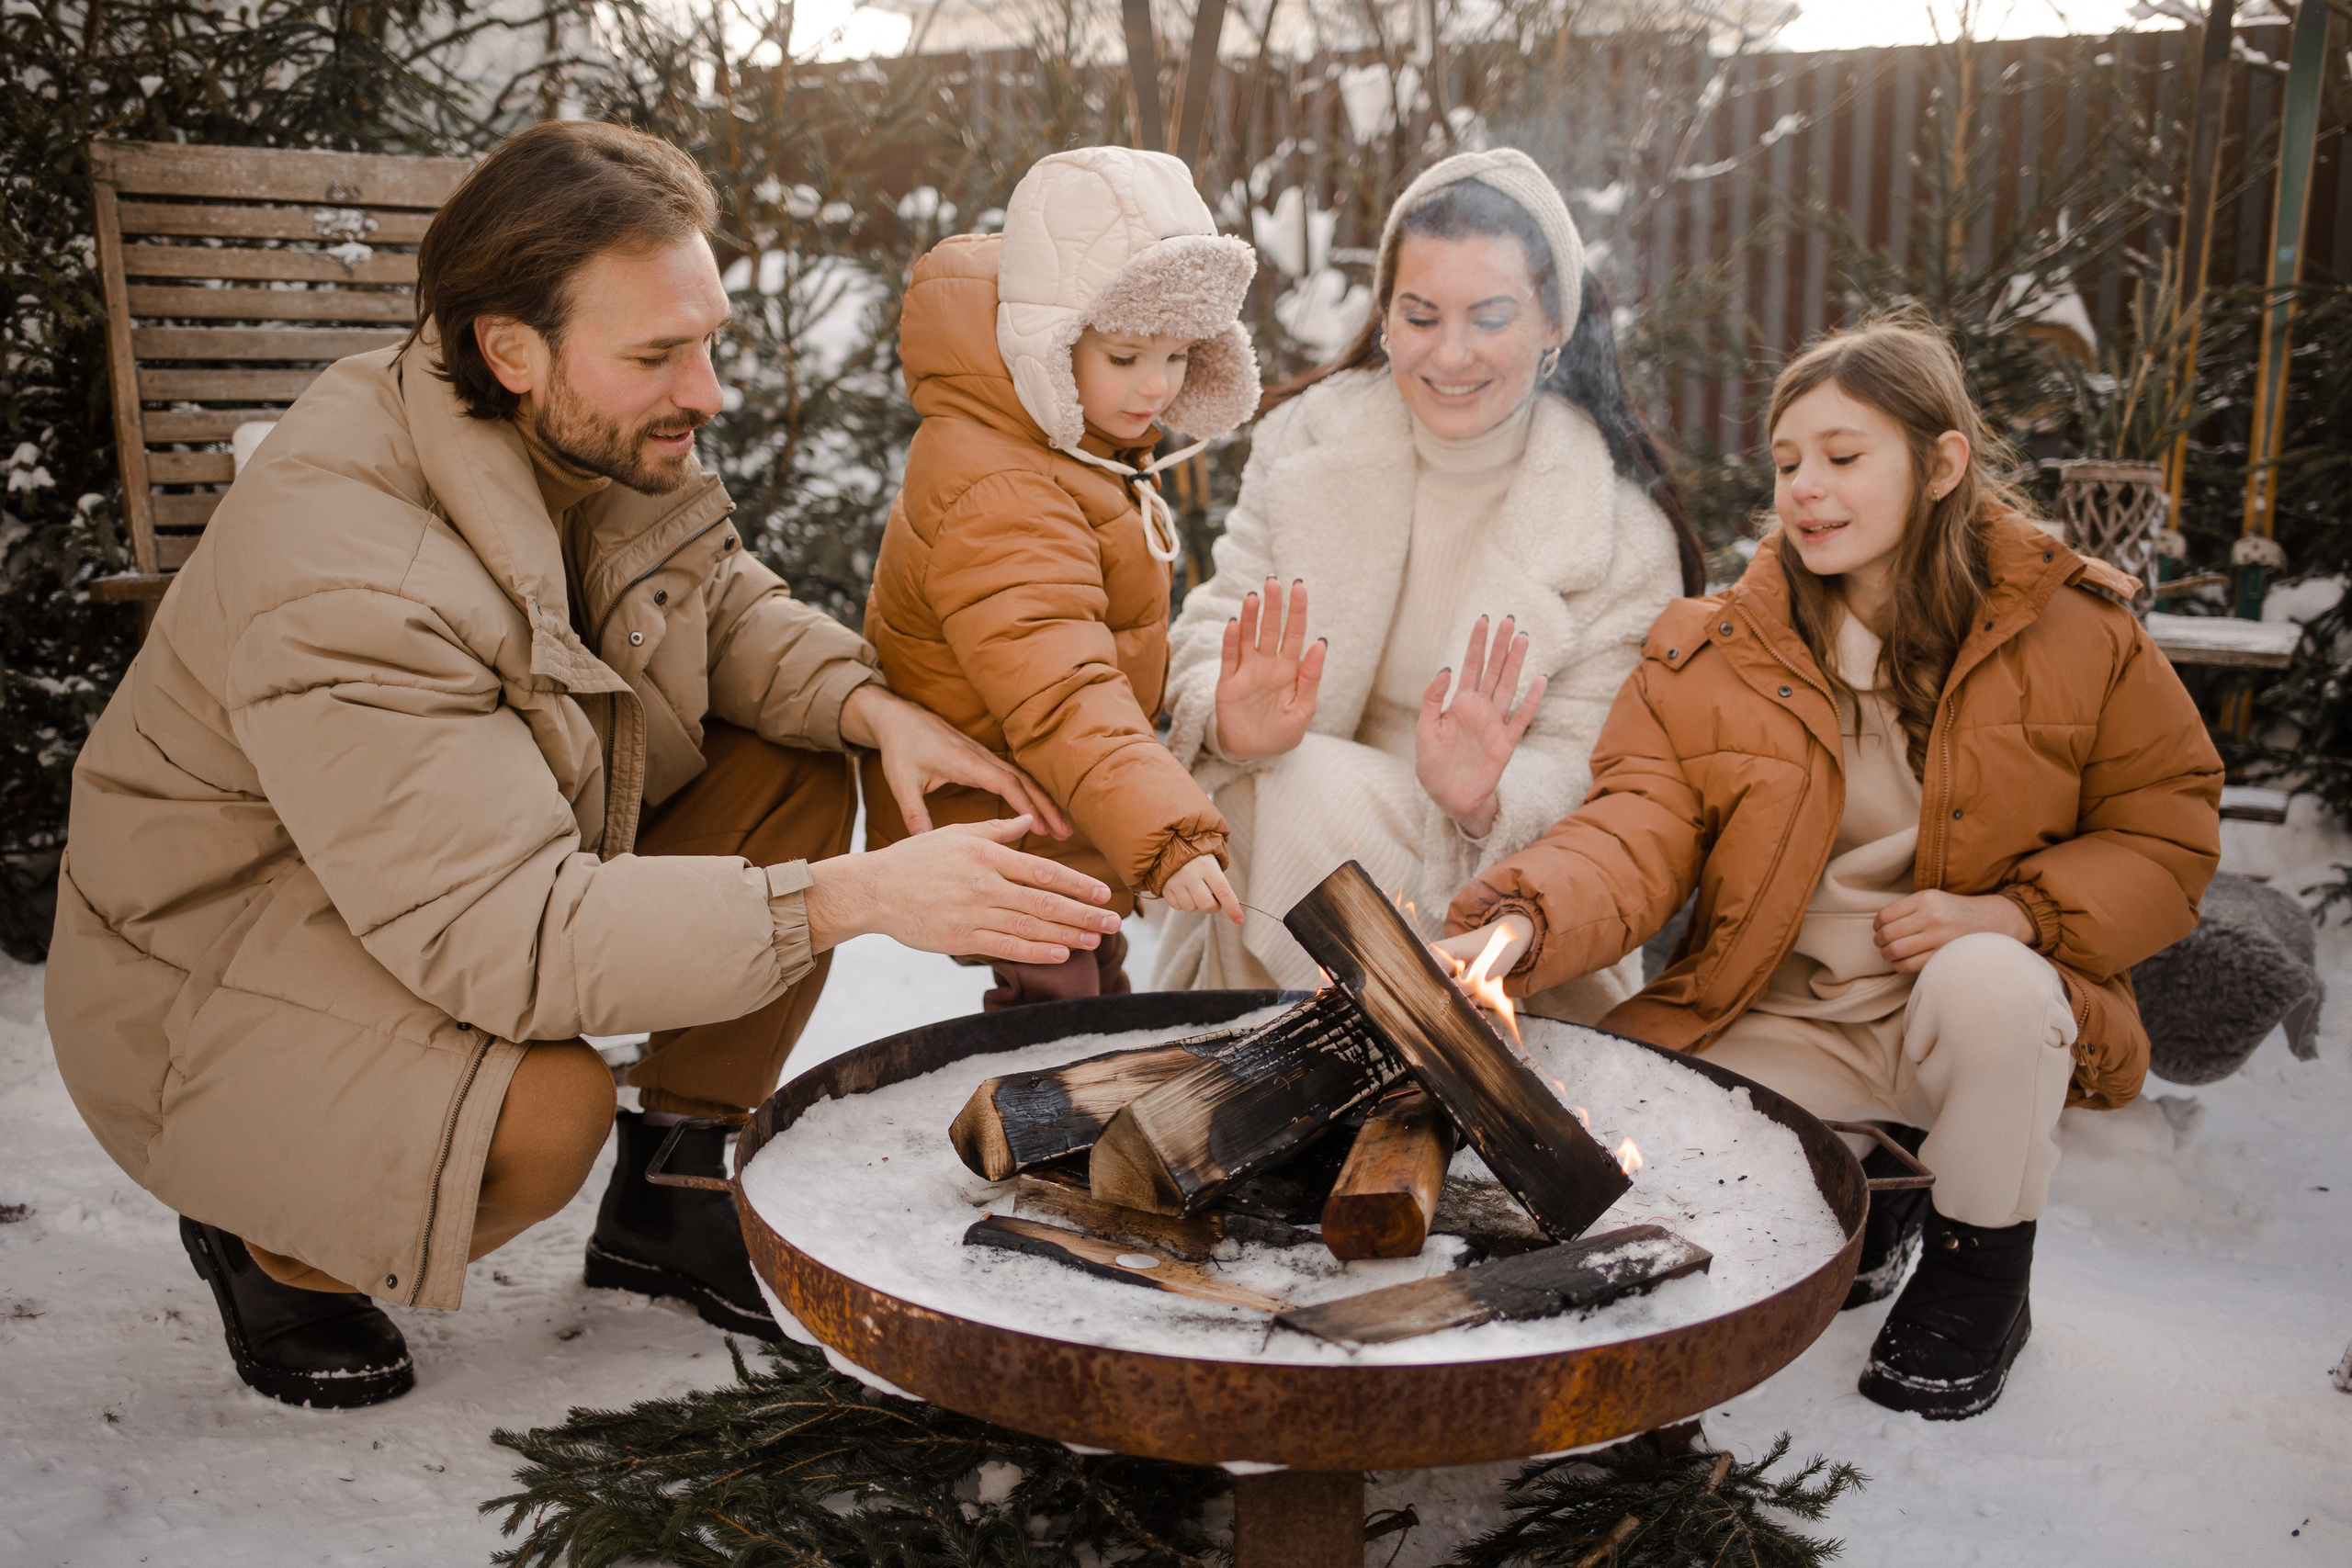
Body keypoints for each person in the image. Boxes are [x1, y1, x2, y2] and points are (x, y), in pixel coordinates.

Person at [44, 121, 1125, 1409]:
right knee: (539, 1112)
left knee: (787, 751)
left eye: (708, 338)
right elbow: (504, 932)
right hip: (217, 973)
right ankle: (265, 1231)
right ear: (510, 347)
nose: (708, 390)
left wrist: (864, 704)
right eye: (662, 354)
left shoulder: (581, 429)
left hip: (403, 887)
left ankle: (671, 1193)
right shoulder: (353, 572)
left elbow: (716, 605)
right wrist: (856, 896)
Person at [1439, 321, 2222, 1419]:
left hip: (1976, 1020)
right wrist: (1519, 920)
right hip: (1787, 1018)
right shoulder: (1710, 653)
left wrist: (2014, 912)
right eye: (1788, 461)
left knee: (1987, 981)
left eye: (1844, 458)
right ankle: (1871, 1182)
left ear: (1941, 464)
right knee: (1642, 1205)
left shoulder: (2076, 633)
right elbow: (1634, 825)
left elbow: (2170, 830)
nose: (1806, 488)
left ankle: (1977, 1273)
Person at [1151, 148, 1704, 1014]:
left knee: (1282, 788)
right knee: (1275, 784)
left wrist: (1488, 799)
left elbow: (1609, 782)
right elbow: (1211, 629)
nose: (1451, 355)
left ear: (1554, 322)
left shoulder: (1617, 531)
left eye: (1490, 317)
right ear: (1383, 316)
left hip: (1491, 913)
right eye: (1420, 315)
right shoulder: (1306, 444)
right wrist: (1227, 716)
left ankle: (1329, 1071)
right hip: (1284, 879)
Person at [863, 147, 1261, 1007]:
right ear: (1048, 339)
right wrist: (1169, 834)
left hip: (1059, 800)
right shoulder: (1001, 485)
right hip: (997, 819)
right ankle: (1040, 1138)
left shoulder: (1071, 443)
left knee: (1096, 986)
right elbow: (1060, 685)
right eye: (1124, 357)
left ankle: (1085, 1126)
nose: (1156, 387)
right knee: (1060, 1012)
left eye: (1180, 355)